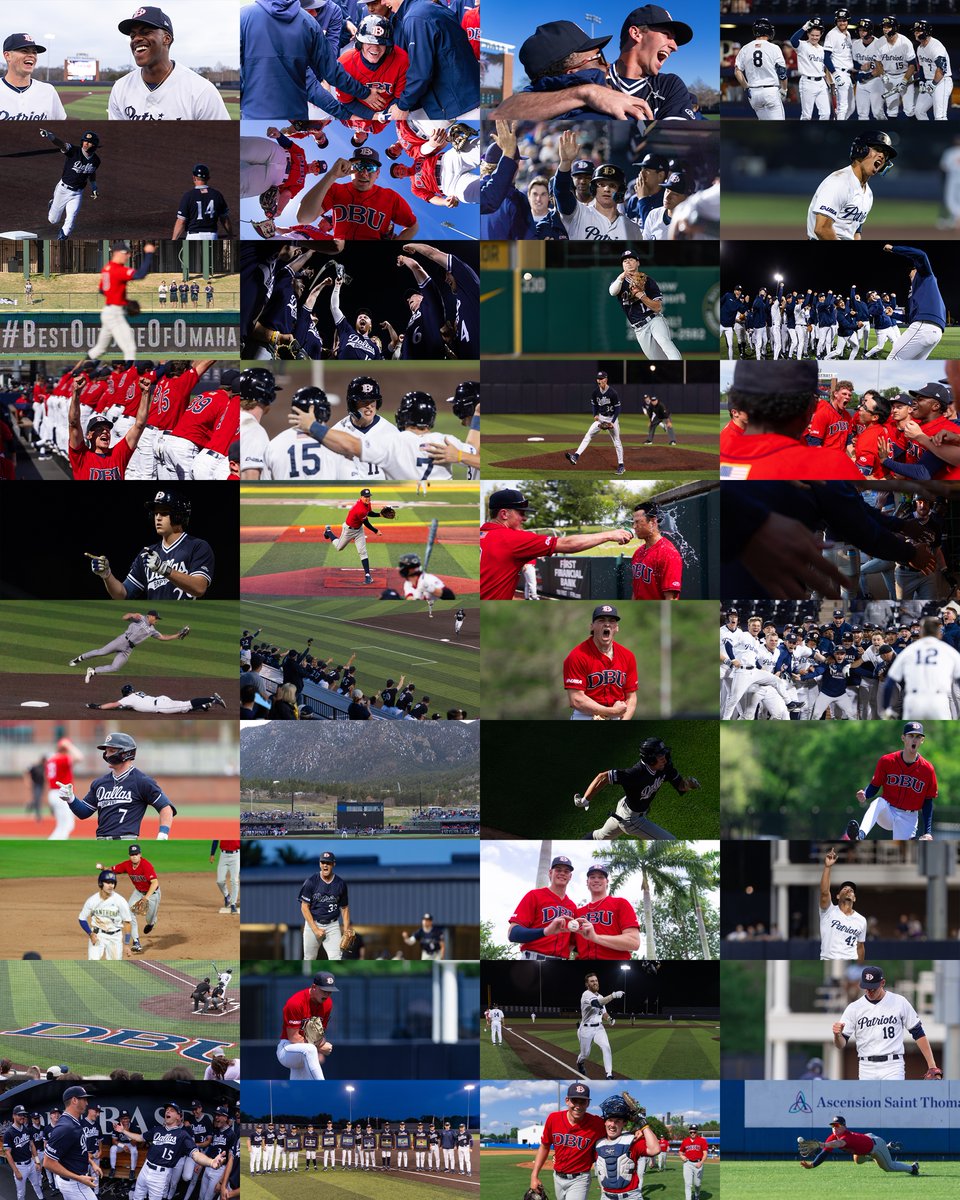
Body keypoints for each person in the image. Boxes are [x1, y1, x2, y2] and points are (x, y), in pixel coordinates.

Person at [480, 488, 631, 600]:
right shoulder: (512, 538)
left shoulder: (481, 534)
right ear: (504, 514)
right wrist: (610, 534)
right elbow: (568, 544)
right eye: (521, 513)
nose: (524, 518)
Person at [86, 490, 214, 601]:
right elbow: (123, 594)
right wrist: (107, 575)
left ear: (179, 516)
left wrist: (164, 569)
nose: (157, 518)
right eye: (156, 514)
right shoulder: (147, 554)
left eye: (164, 513)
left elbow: (199, 587)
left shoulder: (197, 546)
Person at [109, 7, 229, 119]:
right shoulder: (120, 88)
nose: (136, 39)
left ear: (166, 39)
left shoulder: (201, 91)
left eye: (145, 32)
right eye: (132, 36)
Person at [57, 731, 176, 840]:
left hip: (126, 843)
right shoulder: (99, 783)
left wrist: (163, 834)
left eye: (112, 751)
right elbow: (84, 812)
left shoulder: (142, 781)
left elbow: (166, 808)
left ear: (126, 753)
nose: (107, 755)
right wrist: (71, 798)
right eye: (106, 751)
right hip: (100, 842)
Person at [578, 736, 701, 840]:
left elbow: (680, 786)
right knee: (671, 841)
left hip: (624, 809)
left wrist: (688, 785)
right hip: (632, 820)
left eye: (664, 753)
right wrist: (585, 800)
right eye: (660, 755)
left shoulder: (665, 767)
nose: (665, 757)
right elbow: (603, 777)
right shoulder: (635, 773)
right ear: (650, 759)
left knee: (599, 837)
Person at [832, 965, 941, 1080]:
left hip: (892, 1065)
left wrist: (932, 1066)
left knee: (891, 1098)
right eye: (866, 987)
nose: (869, 991)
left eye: (873, 988)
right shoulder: (854, 1008)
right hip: (866, 1066)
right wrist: (837, 1036)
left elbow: (918, 1032)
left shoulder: (899, 1002)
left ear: (882, 982)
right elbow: (840, 1044)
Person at [379, 0, 478, 121]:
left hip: (461, 105)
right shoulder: (426, 7)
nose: (383, 2)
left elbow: (420, 73)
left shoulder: (415, 17)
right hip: (467, 96)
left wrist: (402, 106)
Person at [807, 132, 895, 240]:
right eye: (877, 149)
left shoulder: (868, 193)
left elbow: (856, 233)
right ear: (861, 150)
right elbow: (822, 229)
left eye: (885, 154)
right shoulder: (839, 182)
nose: (882, 156)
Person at [529, 1083, 606, 1199]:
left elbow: (614, 1127)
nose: (578, 1106)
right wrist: (534, 1176)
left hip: (580, 1179)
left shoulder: (596, 1123)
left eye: (582, 1102)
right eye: (574, 1101)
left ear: (588, 1103)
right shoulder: (553, 1119)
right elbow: (544, 1146)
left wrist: (639, 1130)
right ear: (567, 1101)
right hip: (557, 1177)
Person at [563, 605, 638, 721]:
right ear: (592, 627)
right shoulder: (577, 656)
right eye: (601, 620)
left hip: (617, 716)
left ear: (616, 628)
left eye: (612, 621)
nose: (607, 624)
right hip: (586, 715)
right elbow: (576, 699)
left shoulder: (628, 656)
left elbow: (631, 697)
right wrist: (611, 711)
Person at [882, 616, 960, 719]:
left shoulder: (908, 651)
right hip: (938, 701)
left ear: (921, 632)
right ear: (939, 633)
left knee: (912, 731)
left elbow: (889, 683)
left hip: (914, 701)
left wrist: (886, 708)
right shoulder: (948, 651)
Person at [610, 250, 681, 360]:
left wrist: (641, 296)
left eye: (631, 259)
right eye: (625, 261)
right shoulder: (619, 283)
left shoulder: (648, 281)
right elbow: (612, 292)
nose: (628, 262)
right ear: (622, 265)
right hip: (639, 329)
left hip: (653, 320)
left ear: (638, 263)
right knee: (655, 358)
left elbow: (658, 307)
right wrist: (621, 277)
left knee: (665, 343)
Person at [882, 243, 946, 359]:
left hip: (924, 326)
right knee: (911, 367)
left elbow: (921, 255)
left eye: (913, 269)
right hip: (936, 332)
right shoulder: (915, 292)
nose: (911, 271)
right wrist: (893, 315)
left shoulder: (926, 276)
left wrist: (894, 249)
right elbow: (911, 318)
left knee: (893, 359)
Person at [507, 854, 577, 960]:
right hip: (533, 958)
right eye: (558, 870)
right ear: (550, 873)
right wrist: (545, 931)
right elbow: (512, 933)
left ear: (570, 877)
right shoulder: (534, 895)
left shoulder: (572, 906)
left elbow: (572, 941)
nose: (562, 873)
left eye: (566, 871)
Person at [801, 1115, 918, 1174]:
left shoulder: (846, 1136)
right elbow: (824, 1153)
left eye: (837, 1125)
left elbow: (838, 1143)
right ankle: (888, 1148)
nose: (834, 1128)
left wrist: (822, 1144)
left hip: (876, 1145)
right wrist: (813, 1165)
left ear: (844, 1126)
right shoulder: (833, 1137)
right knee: (858, 1161)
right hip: (866, 1140)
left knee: (888, 1167)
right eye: (833, 1126)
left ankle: (913, 1168)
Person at [277, 970, 337, 1079]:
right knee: (309, 1049)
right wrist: (319, 1047)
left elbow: (319, 1035)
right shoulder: (295, 1003)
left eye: (330, 991)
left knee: (298, 1089)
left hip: (305, 1051)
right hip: (287, 1049)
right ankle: (324, 1088)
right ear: (314, 987)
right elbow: (293, 1037)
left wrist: (319, 1046)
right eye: (324, 991)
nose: (327, 995)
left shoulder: (327, 1003)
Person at [573, 865, 641, 960]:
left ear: (607, 882)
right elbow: (572, 946)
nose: (596, 880)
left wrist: (596, 937)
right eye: (592, 877)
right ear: (587, 882)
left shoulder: (620, 903)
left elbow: (634, 942)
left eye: (601, 877)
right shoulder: (577, 912)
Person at [41, 129, 100, 239]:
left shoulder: (96, 160)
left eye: (89, 142)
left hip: (77, 194)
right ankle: (53, 204)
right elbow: (62, 145)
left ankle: (62, 238)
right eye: (84, 141)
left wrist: (94, 186)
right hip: (63, 190)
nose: (86, 143)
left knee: (70, 221)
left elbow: (91, 171)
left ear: (95, 145)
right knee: (53, 220)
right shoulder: (74, 151)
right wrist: (50, 136)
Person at [564, 370, 625, 472]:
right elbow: (594, 405)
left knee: (617, 441)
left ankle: (621, 465)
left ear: (606, 380)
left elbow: (618, 408)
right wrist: (595, 415)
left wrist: (613, 422)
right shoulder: (595, 392)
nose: (599, 380)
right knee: (588, 435)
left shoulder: (613, 393)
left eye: (601, 379)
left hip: (611, 418)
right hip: (601, 418)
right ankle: (576, 456)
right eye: (598, 379)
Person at [0, 33, 66, 118]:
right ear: (7, 55)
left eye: (34, 52)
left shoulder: (48, 91)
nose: (31, 55)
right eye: (24, 51)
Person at [819, 846, 866, 962]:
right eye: (844, 889)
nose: (848, 890)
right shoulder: (828, 911)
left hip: (850, 960)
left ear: (854, 898)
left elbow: (860, 947)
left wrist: (860, 967)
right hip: (829, 958)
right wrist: (827, 867)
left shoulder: (861, 920)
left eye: (851, 890)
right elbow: (824, 892)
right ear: (838, 896)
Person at [734, 20, 786, 120]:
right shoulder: (774, 47)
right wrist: (784, 89)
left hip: (754, 93)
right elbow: (782, 72)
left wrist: (746, 88)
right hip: (770, 91)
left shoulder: (745, 48)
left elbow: (737, 71)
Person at [77, 869, 133, 961]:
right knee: (93, 964)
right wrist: (90, 934)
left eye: (112, 883)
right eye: (107, 882)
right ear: (100, 883)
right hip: (98, 935)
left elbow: (127, 922)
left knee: (115, 967)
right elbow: (82, 918)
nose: (111, 885)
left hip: (115, 937)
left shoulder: (120, 901)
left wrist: (126, 944)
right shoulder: (92, 900)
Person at [630, 502, 682, 599]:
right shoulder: (638, 552)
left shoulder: (668, 553)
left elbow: (671, 598)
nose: (634, 526)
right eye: (633, 522)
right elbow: (635, 594)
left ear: (653, 522)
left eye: (638, 522)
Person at [576, 972, 624, 1078]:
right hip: (586, 1029)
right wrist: (613, 995)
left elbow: (603, 1012)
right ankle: (580, 1063)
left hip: (599, 1027)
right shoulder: (586, 995)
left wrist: (609, 1019)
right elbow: (597, 1003)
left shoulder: (601, 996)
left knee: (606, 1047)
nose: (595, 983)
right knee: (585, 1054)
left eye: (596, 980)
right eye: (592, 981)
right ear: (587, 984)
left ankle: (609, 1074)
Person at [172, 166, 233, 240]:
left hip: (193, 237)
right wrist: (230, 235)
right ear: (208, 178)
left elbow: (181, 221)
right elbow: (224, 219)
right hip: (212, 236)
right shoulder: (217, 195)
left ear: (194, 178)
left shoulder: (188, 196)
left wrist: (174, 239)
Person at [679, 1125, 708, 1200]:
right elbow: (681, 1151)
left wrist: (701, 1162)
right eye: (691, 1131)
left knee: (697, 1184)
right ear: (689, 1131)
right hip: (687, 1164)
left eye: (694, 1131)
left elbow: (705, 1154)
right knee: (688, 1184)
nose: (693, 1133)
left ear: (697, 1132)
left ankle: (697, 1194)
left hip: (698, 1163)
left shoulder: (702, 1140)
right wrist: (682, 1156)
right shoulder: (685, 1141)